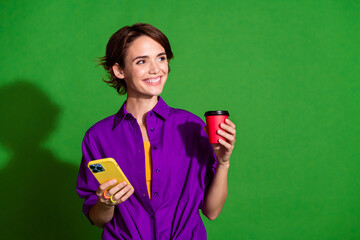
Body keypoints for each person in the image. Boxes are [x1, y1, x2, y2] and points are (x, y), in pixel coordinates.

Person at [76, 23, 236, 240]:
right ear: (119, 70)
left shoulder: (191, 126)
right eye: (142, 61)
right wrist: (105, 202)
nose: (155, 69)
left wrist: (223, 162)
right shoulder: (98, 137)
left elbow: (212, 211)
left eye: (161, 58)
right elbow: (98, 219)